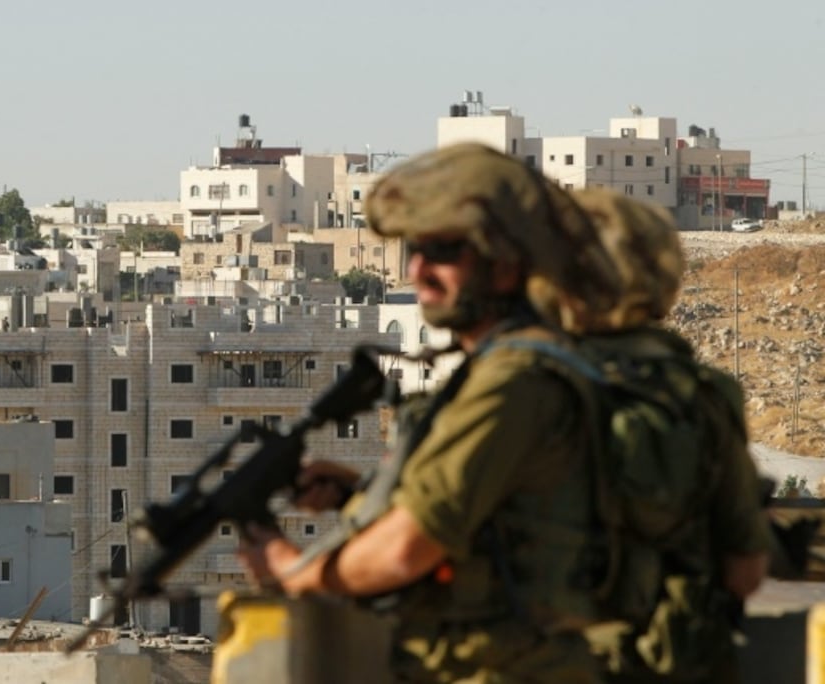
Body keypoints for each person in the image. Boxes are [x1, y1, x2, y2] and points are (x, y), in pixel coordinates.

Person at [238, 143, 771, 683]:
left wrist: (293, 570)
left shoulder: (522, 380)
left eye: (444, 249)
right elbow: (742, 569)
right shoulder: (689, 389)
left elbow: (407, 551)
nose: (419, 267)